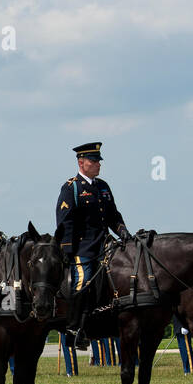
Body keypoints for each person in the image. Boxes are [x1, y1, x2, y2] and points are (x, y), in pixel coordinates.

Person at [56, 142, 132, 340]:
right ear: (82, 163)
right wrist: (68, 252)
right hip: (84, 249)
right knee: (82, 281)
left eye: (99, 161)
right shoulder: (71, 188)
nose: (99, 164)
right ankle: (74, 328)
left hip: (106, 245)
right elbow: (66, 222)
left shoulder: (103, 186)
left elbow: (113, 215)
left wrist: (122, 230)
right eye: (94, 161)